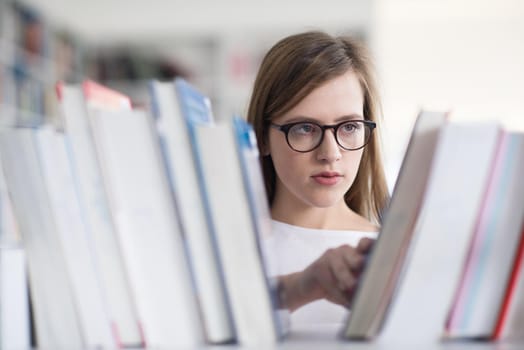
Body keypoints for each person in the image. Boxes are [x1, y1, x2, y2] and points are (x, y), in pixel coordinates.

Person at [246, 31, 390, 332]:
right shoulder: (229, 252)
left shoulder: (391, 253)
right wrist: (298, 288)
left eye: (349, 126)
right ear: (262, 138)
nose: (330, 154)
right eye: (304, 128)